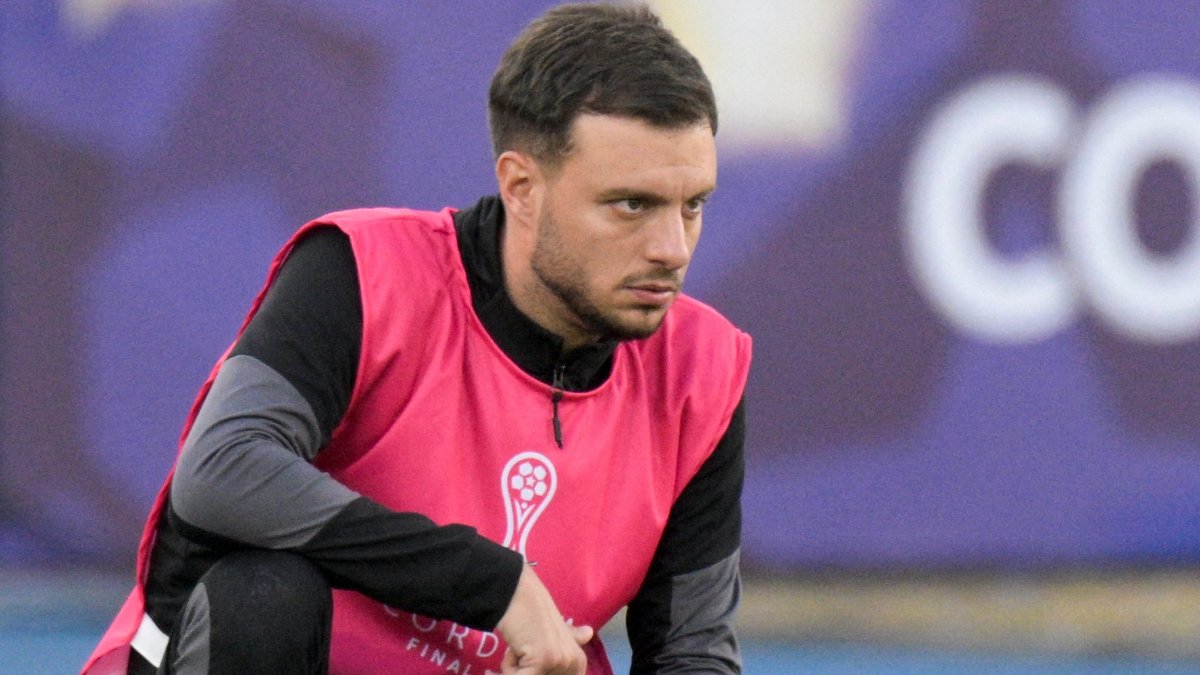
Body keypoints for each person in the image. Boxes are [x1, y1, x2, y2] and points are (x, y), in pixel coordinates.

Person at [83, 3, 751, 674]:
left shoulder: (703, 371)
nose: (672, 247)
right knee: (264, 597)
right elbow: (223, 469)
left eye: (692, 205)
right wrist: (494, 584)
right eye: (631, 204)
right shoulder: (364, 273)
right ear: (522, 187)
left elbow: (692, 650)